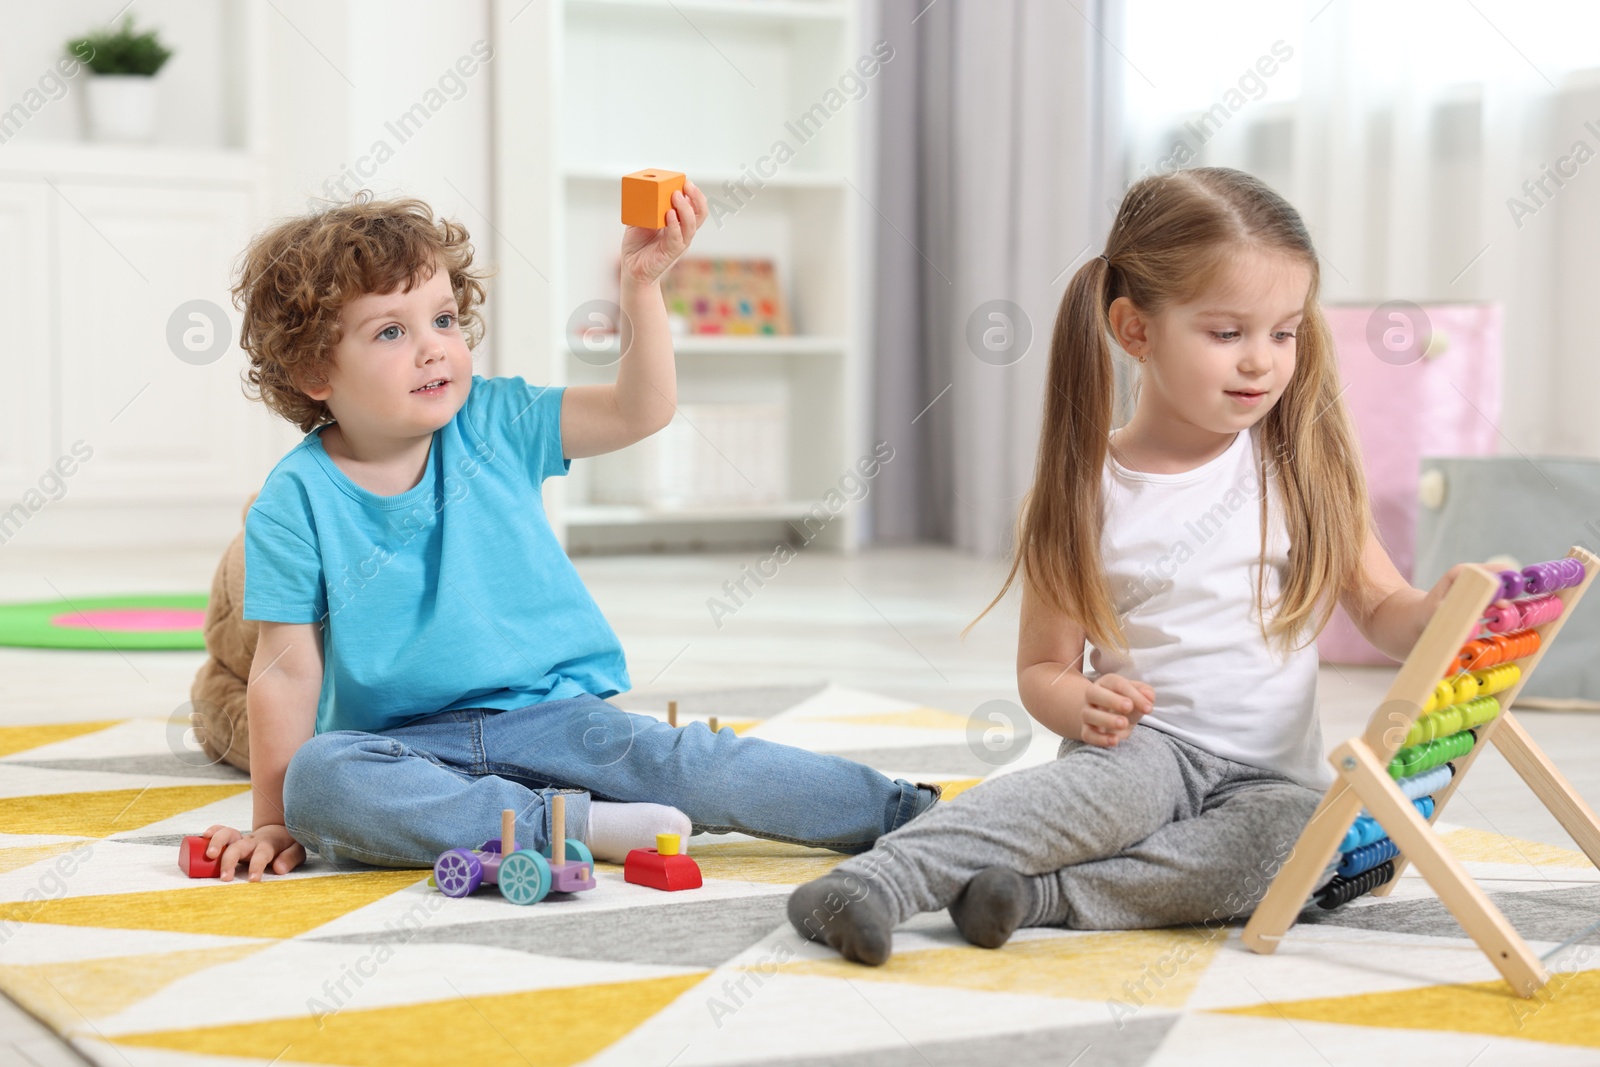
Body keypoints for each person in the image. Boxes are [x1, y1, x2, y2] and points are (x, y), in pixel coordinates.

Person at [788, 166, 1482, 965]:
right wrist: (1079, 704)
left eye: (1283, 333)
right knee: (1085, 801)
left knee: (1301, 854)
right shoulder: (1085, 487)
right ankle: (877, 880)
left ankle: (1039, 897)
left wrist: (1436, 616)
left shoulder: (1302, 463)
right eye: (1227, 334)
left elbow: (1383, 606)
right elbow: (1044, 666)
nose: (1261, 361)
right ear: (1136, 330)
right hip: (1147, 745)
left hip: (1272, 777)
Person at [201, 189, 940, 882]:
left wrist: (640, 286)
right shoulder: (290, 501)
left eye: (444, 319)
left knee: (697, 763)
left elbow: (639, 408)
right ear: (313, 371)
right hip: (411, 750)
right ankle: (579, 826)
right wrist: (274, 820)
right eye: (392, 331)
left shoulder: (499, 420)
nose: (433, 348)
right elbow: (287, 670)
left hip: (561, 721)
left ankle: (907, 811)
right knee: (320, 779)